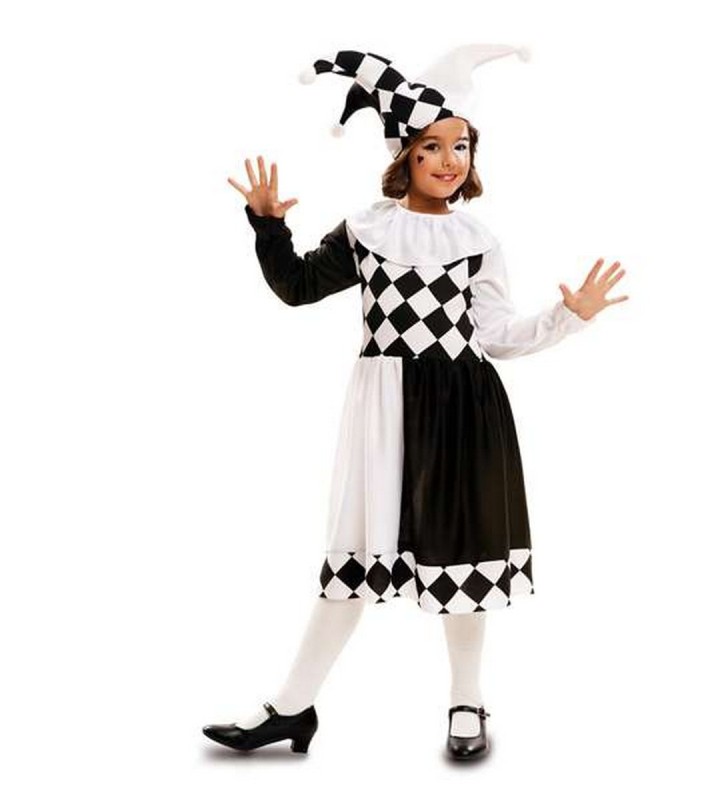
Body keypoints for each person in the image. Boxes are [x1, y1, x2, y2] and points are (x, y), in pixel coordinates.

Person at [203, 45, 628, 762]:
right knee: (354, 553)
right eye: (431, 146)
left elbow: (497, 336)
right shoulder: (368, 231)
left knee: (462, 558)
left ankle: (467, 701)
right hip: (383, 413)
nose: (448, 160)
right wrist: (268, 226)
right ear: (403, 153)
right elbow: (297, 288)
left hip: (462, 412)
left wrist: (570, 316)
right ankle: (292, 709)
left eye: (460, 145)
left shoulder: (477, 240)